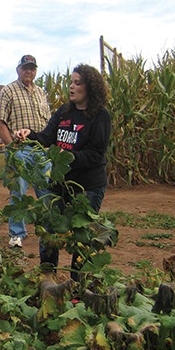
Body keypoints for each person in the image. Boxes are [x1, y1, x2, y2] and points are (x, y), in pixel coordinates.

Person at [14, 64, 111, 276]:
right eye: (71, 82)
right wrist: (29, 134)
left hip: (87, 187)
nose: (72, 87)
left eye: (77, 83)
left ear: (90, 88)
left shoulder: (100, 116)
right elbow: (46, 138)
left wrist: (64, 157)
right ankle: (48, 278)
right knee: (49, 229)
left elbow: (95, 154)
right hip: (58, 183)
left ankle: (79, 284)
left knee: (82, 235)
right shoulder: (64, 112)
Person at [0, 54, 52, 249]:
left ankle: (46, 229)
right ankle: (17, 233)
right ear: (18, 69)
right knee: (18, 191)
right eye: (25, 68)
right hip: (20, 150)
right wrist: (12, 147)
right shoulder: (9, 91)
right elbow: (0, 122)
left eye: (32, 68)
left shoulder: (41, 93)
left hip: (41, 149)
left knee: (45, 191)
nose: (29, 71)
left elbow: (49, 123)